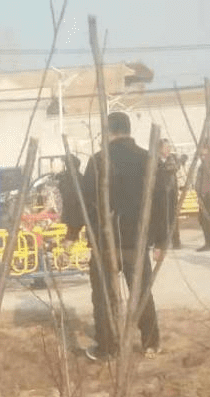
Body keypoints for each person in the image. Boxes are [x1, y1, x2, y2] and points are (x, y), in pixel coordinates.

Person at [76, 110, 169, 360]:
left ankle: (108, 347)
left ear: (108, 132)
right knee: (141, 293)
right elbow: (161, 201)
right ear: (129, 130)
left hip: (104, 242)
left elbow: (84, 201)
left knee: (104, 295)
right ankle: (151, 342)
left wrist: (74, 232)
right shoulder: (147, 159)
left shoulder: (98, 161)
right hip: (136, 241)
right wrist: (161, 240)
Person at [157, 139, 184, 249]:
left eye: (169, 147)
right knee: (160, 218)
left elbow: (174, 167)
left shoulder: (172, 159)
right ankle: (161, 242)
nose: (168, 150)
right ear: (159, 148)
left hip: (171, 192)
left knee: (173, 217)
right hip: (159, 193)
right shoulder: (155, 160)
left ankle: (176, 241)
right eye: (165, 147)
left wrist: (180, 161)